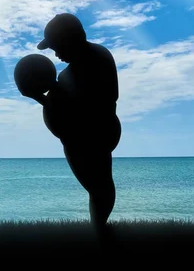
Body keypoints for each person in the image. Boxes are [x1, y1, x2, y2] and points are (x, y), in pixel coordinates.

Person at [24, 13, 121, 235]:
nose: (56, 54)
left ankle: (99, 232)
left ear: (73, 39)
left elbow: (100, 104)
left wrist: (46, 98)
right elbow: (64, 117)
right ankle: (99, 229)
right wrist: (44, 98)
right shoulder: (73, 71)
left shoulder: (97, 60)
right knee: (98, 188)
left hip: (95, 136)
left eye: (57, 47)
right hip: (85, 137)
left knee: (100, 188)